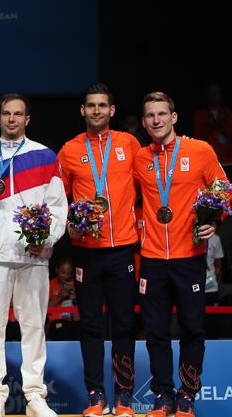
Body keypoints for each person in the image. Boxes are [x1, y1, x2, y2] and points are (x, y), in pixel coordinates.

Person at [133, 92, 231, 417]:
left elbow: (222, 188)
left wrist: (214, 220)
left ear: (174, 117)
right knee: (155, 332)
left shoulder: (200, 150)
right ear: (144, 122)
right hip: (152, 258)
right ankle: (163, 396)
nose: (156, 120)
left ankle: (187, 395)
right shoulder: (140, 157)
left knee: (192, 329)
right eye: (150, 115)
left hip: (189, 256)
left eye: (162, 114)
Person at [0, 93, 67, 417]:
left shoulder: (45, 155)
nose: (11, 119)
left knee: (34, 326)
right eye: (6, 114)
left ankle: (35, 397)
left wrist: (46, 239)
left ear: (27, 119)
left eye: (18, 114)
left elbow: (57, 206)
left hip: (32, 254)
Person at [56, 84, 140, 417]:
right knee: (90, 325)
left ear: (112, 110)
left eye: (102, 105)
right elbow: (58, 196)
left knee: (124, 325)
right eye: (91, 106)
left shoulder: (129, 144)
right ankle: (96, 396)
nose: (96, 111)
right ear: (82, 110)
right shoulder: (69, 149)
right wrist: (68, 224)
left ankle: (123, 396)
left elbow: (147, 184)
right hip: (86, 250)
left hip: (122, 249)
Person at [192, 84, 232, 184]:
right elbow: (197, 140)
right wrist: (208, 126)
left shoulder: (228, 113)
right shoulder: (200, 115)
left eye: (216, 92)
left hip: (227, 161)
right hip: (207, 161)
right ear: (206, 95)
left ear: (221, 95)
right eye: (211, 93)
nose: (214, 96)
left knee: (228, 192)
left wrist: (224, 123)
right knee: (207, 193)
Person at [47, 257, 81, 341]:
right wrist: (59, 296)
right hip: (57, 321)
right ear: (57, 270)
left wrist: (76, 299)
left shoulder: (77, 284)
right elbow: (45, 309)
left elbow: (87, 306)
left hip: (75, 320)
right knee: (61, 329)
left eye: (69, 273)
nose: (66, 276)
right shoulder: (50, 284)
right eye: (63, 273)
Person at [203, 229, 224, 340]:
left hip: (211, 288)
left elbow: (218, 267)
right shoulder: (190, 237)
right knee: (194, 322)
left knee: (211, 323)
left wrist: (210, 279)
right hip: (193, 287)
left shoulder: (215, 239)